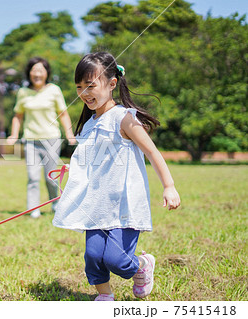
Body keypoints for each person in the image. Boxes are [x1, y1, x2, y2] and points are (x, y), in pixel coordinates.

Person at [52, 52, 181, 301]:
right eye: (79, 87)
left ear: (111, 84)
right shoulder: (89, 124)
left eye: (91, 85)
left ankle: (141, 265)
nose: (84, 92)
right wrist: (74, 169)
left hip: (124, 204)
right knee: (92, 255)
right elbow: (91, 158)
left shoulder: (124, 118)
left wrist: (169, 185)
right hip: (96, 204)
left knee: (116, 259)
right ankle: (104, 296)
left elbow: (152, 152)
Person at [7, 57, 76, 218]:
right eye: (34, 70)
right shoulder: (23, 92)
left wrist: (69, 133)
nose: (37, 74)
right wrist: (14, 134)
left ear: (46, 73)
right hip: (31, 139)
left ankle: (56, 204)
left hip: (51, 139)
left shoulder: (54, 90)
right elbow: (18, 116)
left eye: (40, 70)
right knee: (32, 176)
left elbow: (63, 113)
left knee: (51, 177)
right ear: (29, 73)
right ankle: (33, 209)